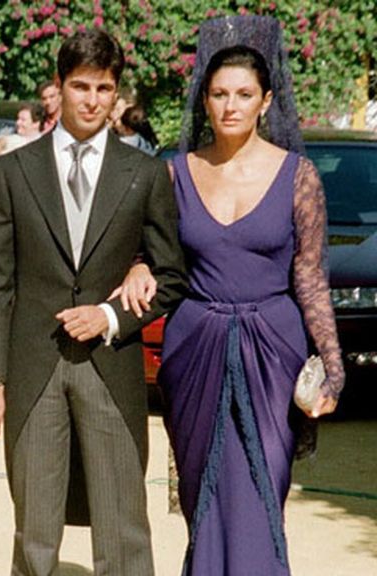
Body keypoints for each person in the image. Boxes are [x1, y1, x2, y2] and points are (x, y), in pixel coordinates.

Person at [113, 16, 344, 575]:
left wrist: (333, 368)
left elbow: (310, 276)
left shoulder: (299, 176)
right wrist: (140, 267)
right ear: (205, 100)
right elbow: (153, 253)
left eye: (244, 94)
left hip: (274, 351)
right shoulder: (173, 174)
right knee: (205, 494)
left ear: (267, 101)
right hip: (195, 351)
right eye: (219, 94)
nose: (230, 106)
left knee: (263, 490)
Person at [0, 28, 187, 576]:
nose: (92, 100)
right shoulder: (11, 171)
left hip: (111, 370)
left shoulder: (143, 175)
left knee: (123, 531)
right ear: (60, 87)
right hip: (33, 367)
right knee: (36, 534)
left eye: (105, 88)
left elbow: (170, 276)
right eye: (81, 86)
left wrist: (111, 315)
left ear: (117, 95)